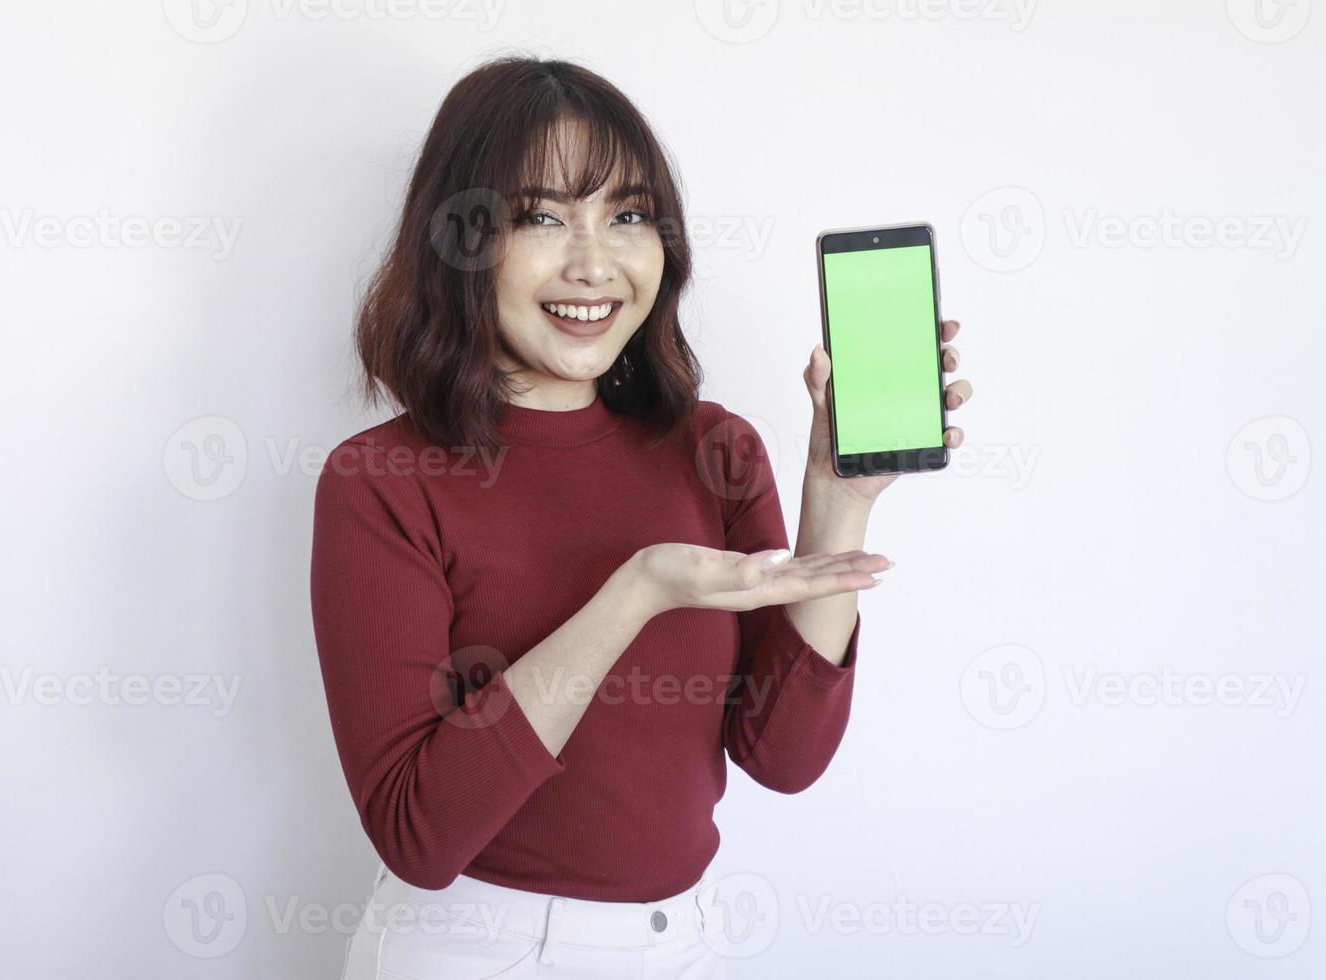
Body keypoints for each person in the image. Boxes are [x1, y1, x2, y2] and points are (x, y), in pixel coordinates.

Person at [310, 54, 971, 979]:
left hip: (680, 943)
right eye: (541, 217)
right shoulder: (381, 481)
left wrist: (839, 504)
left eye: (627, 215)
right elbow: (418, 836)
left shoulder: (717, 450)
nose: (596, 263)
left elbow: (782, 758)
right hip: (479, 949)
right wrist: (637, 593)